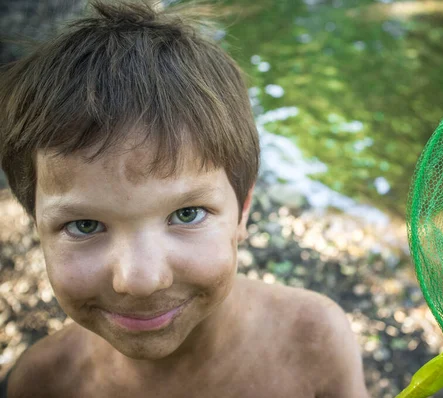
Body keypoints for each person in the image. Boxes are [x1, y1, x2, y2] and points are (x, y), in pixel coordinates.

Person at [0, 1, 369, 397]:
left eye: (187, 213)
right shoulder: (41, 383)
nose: (141, 280)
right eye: (84, 225)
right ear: (37, 224)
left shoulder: (316, 340)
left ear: (242, 210)